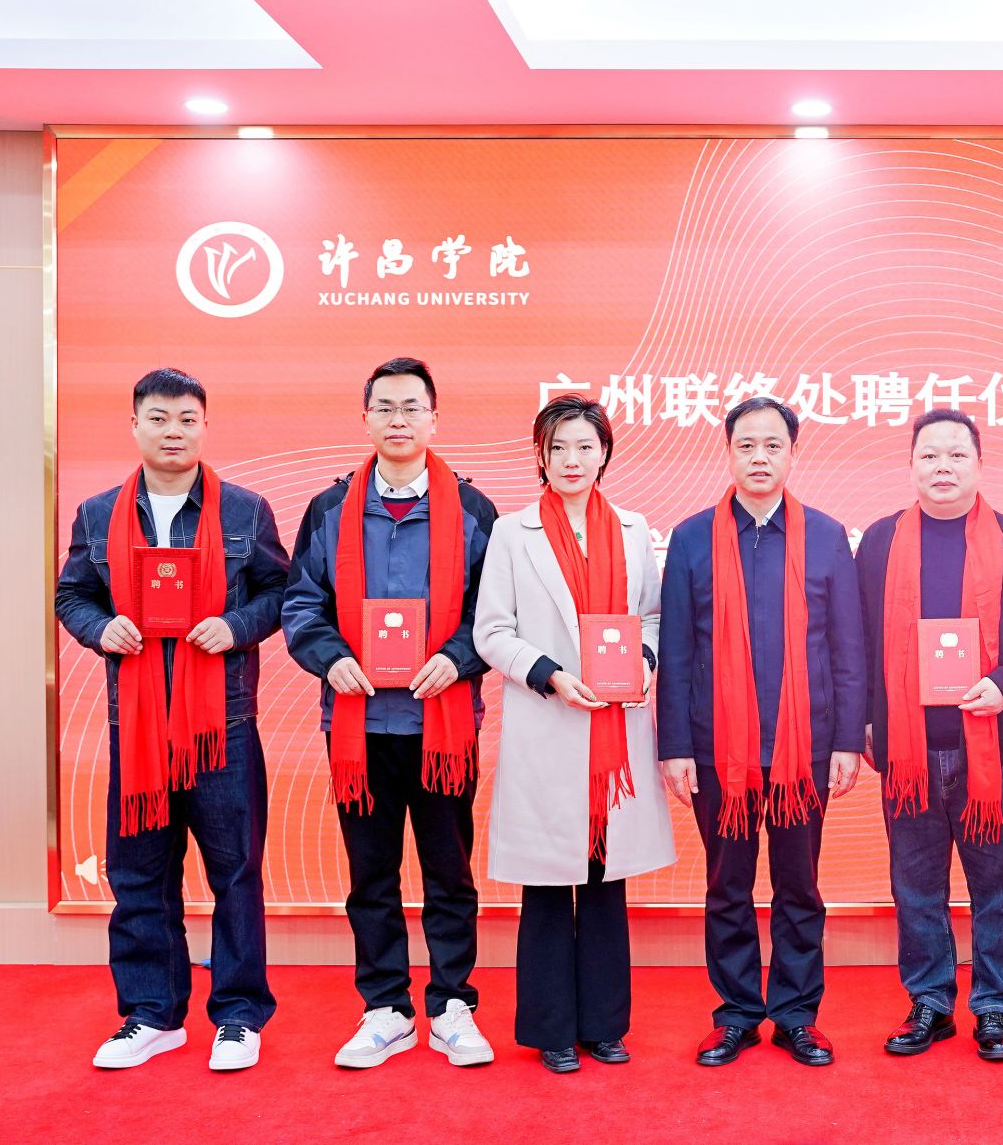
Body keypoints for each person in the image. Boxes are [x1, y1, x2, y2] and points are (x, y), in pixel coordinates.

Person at [56, 368, 289, 1072]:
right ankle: (152, 1014)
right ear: (134, 426)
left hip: (224, 726)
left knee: (235, 873)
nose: (173, 431)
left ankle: (239, 1016)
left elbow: (281, 591)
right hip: (137, 727)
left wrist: (236, 625)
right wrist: (102, 628)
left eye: (187, 419)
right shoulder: (97, 513)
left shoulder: (245, 510)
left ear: (205, 426)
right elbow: (72, 596)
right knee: (139, 875)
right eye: (158, 418)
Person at [283, 357, 498, 1069]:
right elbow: (301, 602)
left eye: (412, 407)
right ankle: (385, 1008)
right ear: (366, 418)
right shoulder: (330, 508)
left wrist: (459, 657)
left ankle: (452, 1004)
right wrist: (330, 657)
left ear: (434, 418)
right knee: (370, 875)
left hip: (443, 727)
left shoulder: (473, 510)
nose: (399, 419)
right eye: (386, 407)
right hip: (359, 726)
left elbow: (493, 610)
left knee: (449, 873)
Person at [855, 408, 1003, 1062]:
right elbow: (856, 638)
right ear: (911, 466)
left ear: (979, 464)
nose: (942, 467)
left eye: (956, 455)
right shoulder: (880, 542)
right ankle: (929, 1001)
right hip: (908, 751)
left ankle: (993, 1007)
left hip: (995, 747)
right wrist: (865, 718)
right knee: (916, 886)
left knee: (997, 887)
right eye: (929, 455)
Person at [657, 397, 865, 1068]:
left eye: (773, 445)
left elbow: (848, 646)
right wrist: (674, 747)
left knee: (799, 887)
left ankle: (797, 1015)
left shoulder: (826, 536)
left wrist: (847, 740)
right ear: (728, 453)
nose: (759, 457)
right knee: (728, 887)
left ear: (792, 454)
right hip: (718, 750)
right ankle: (738, 1015)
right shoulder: (691, 538)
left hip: (805, 749)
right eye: (746, 445)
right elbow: (678, 650)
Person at [475, 394, 675, 1073]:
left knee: (604, 879)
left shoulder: (633, 530)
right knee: (546, 883)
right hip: (549, 721)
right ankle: (551, 1028)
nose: (571, 459)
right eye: (558, 447)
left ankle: (605, 1025)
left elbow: (651, 616)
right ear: (540, 454)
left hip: (615, 729)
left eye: (585, 446)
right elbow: (492, 631)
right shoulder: (513, 532)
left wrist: (643, 661)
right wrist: (551, 675)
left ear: (604, 453)